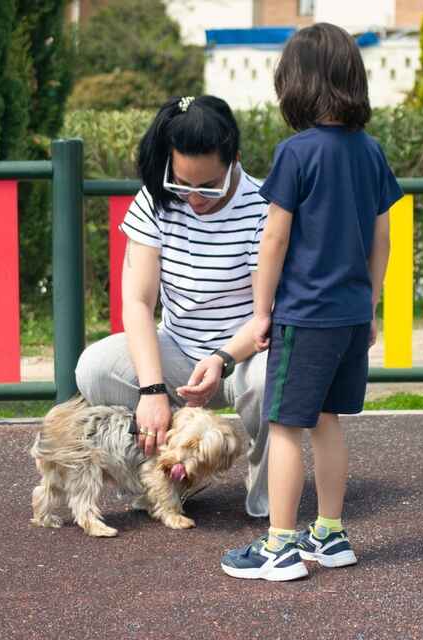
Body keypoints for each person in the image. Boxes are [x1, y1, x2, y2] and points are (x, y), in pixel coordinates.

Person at [220, 23, 402, 581]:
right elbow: (383, 238)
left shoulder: (296, 152)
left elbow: (273, 238)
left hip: (306, 315)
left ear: (294, 84)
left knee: (284, 426)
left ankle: (279, 544)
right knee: (328, 421)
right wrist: (370, 307)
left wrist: (261, 310)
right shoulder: (370, 152)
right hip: (350, 316)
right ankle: (330, 531)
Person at [74, 95, 273, 517]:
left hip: (245, 353)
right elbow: (138, 301)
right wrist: (151, 390)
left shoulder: (264, 207)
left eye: (208, 186)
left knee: (271, 377)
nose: (194, 198)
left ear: (234, 160)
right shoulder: (155, 199)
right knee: (94, 367)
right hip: (181, 350)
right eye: (182, 183)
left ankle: (268, 490)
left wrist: (221, 359)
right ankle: (162, 478)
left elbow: (265, 314)